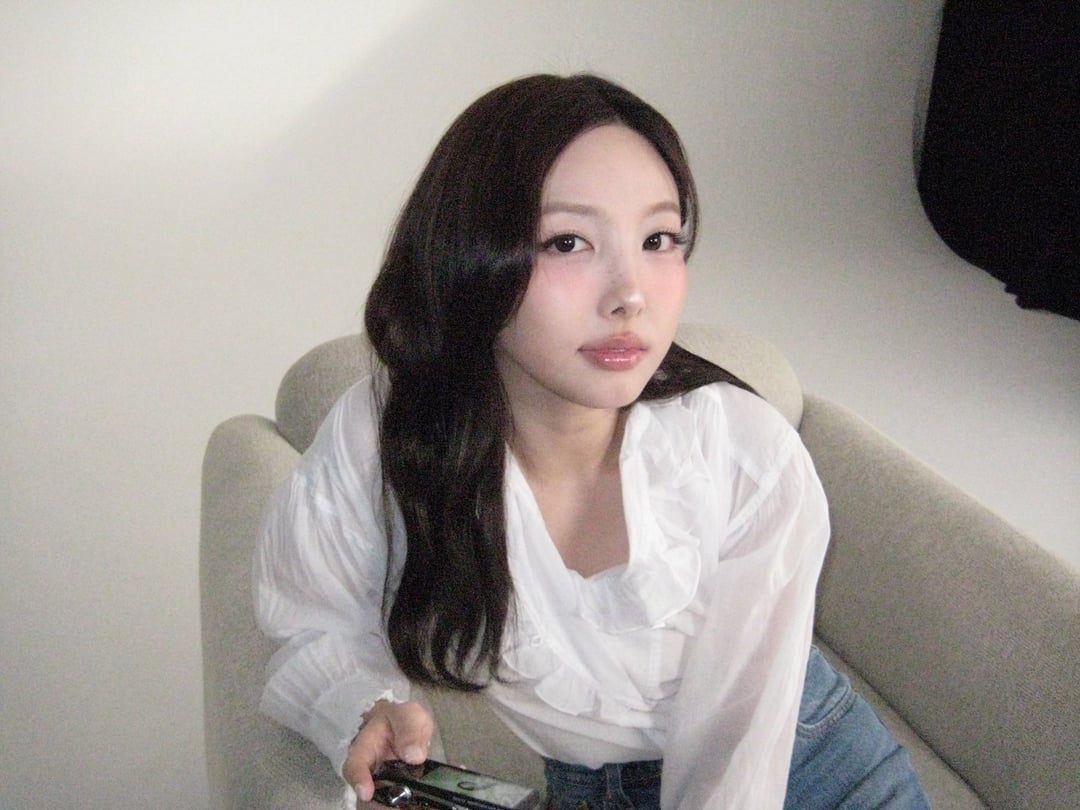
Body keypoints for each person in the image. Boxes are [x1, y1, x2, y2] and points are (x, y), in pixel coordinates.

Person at [254, 73, 930, 809]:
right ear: (470, 255)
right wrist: (364, 707)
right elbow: (311, 613)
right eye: (569, 242)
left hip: (816, 772)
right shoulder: (387, 433)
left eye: (658, 240)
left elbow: (737, 757)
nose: (629, 295)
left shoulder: (744, 454)